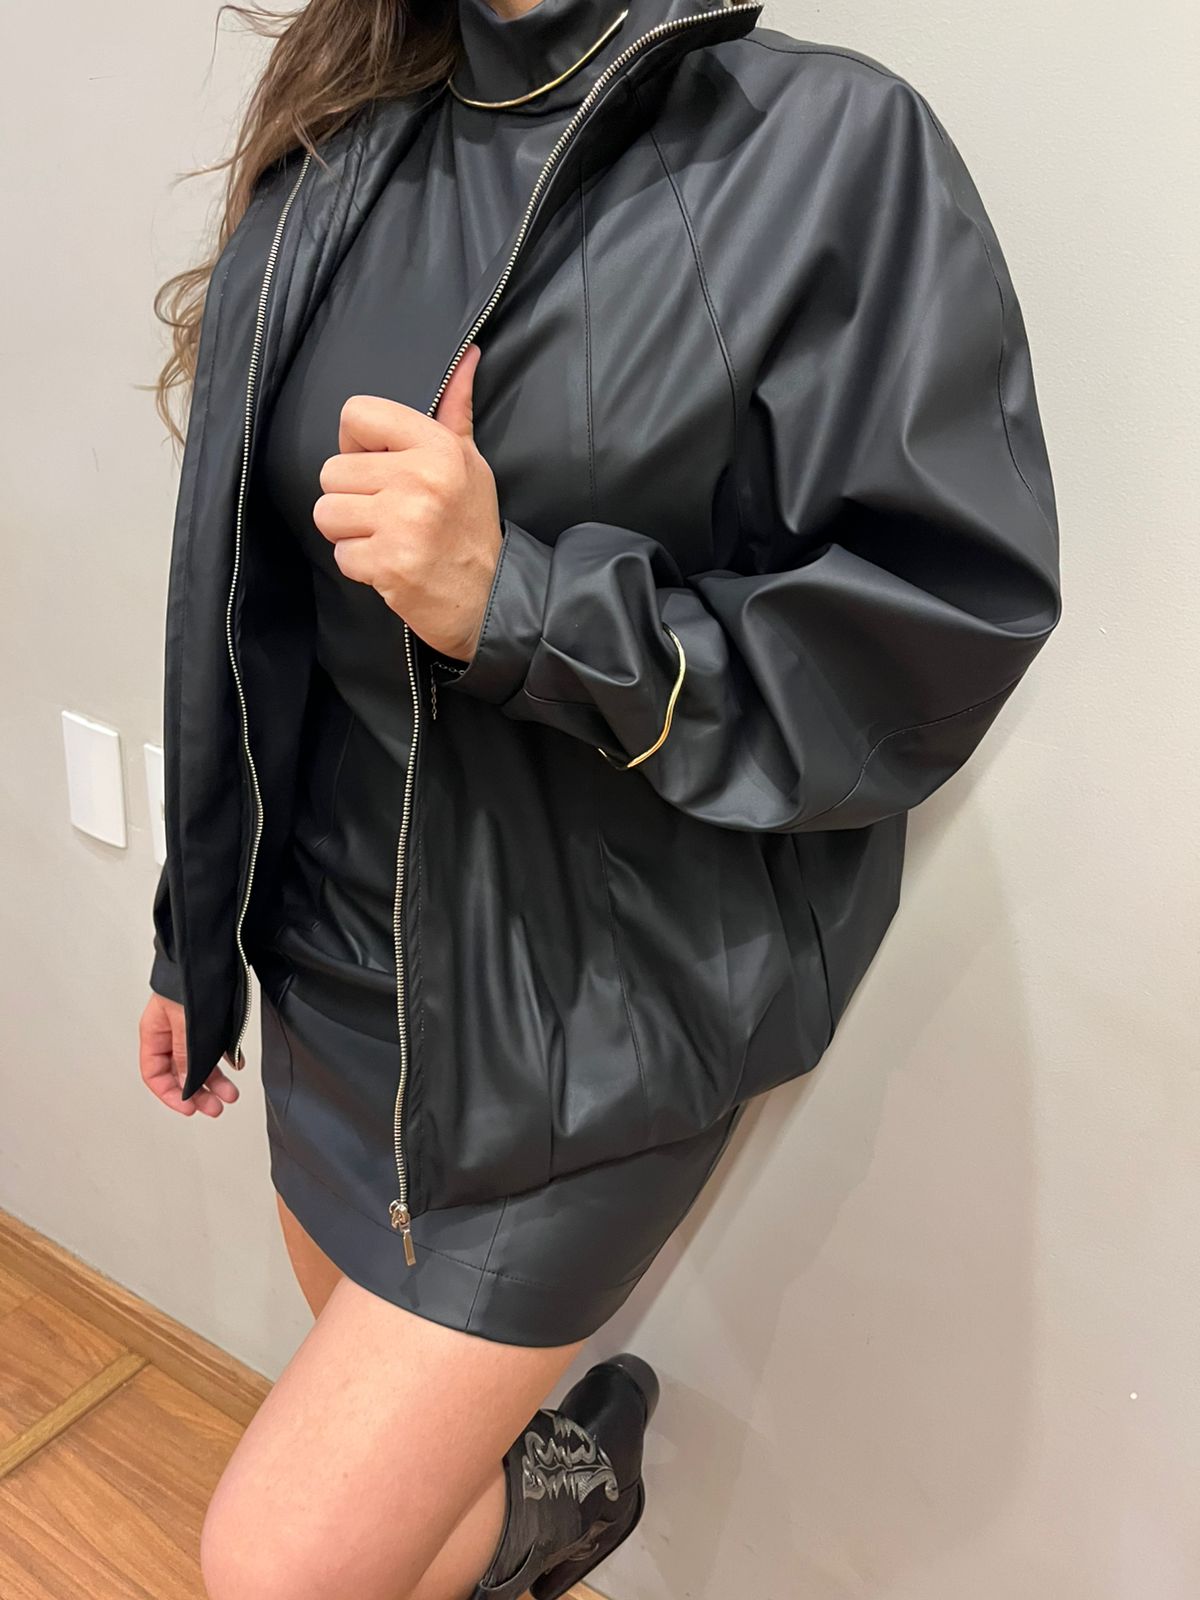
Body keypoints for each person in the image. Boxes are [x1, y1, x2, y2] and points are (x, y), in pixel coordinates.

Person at [136, 0, 1062, 1594]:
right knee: (419, 1508)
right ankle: (552, 1506)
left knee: (283, 1566)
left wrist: (517, 602)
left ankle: (553, 1502)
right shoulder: (347, 133)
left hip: (591, 1029)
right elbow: (247, 607)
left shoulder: (821, 148)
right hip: (332, 983)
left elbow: (935, 635)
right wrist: (196, 931)